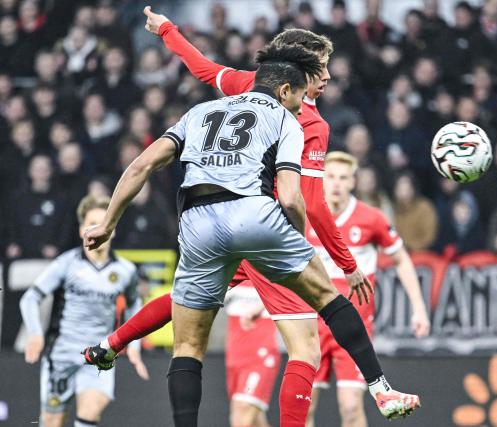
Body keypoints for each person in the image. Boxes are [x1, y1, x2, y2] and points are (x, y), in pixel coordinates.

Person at [83, 9, 413, 425]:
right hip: (262, 225)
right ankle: (381, 388)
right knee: (307, 343)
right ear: (296, 77)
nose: (328, 77)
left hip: (202, 222)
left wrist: (166, 30)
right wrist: (340, 262)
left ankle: (112, 343)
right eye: (321, 68)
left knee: (189, 317)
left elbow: (200, 70)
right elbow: (307, 201)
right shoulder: (303, 121)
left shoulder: (233, 91)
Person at [305, 152, 430, 427]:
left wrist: (419, 309)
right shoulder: (306, 216)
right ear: (321, 179)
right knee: (305, 406)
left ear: (353, 182)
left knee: (350, 407)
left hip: (354, 328)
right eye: (330, 176)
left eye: (343, 177)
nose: (336, 183)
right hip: (312, 327)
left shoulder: (370, 218)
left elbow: (401, 259)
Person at [19, 195, 148, 427]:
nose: (98, 230)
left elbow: (133, 304)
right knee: (52, 421)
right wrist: (35, 333)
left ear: (113, 230)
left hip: (99, 355)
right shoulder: (66, 264)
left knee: (89, 412)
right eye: (92, 224)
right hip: (61, 355)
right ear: (81, 230)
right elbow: (30, 298)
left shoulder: (125, 271)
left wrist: (135, 346)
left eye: (104, 223)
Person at [224, 280, 281, 427]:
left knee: (242, 411)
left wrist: (260, 307)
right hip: (235, 356)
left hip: (261, 354)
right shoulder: (231, 271)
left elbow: (290, 289)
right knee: (255, 420)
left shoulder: (272, 269)